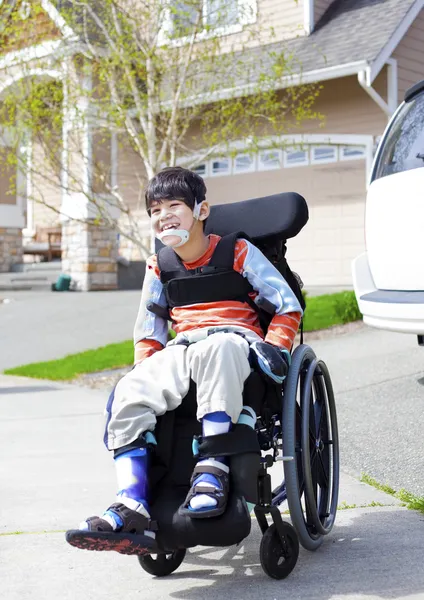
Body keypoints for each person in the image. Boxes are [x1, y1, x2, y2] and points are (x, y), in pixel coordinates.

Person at [68, 166, 302, 553]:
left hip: (235, 340)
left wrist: (276, 348)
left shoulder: (238, 252)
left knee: (218, 348)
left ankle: (214, 469)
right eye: (155, 210)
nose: (164, 216)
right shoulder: (159, 265)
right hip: (183, 348)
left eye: (174, 205)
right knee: (130, 388)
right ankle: (132, 503)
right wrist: (147, 367)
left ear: (201, 209)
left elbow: (287, 305)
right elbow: (148, 329)